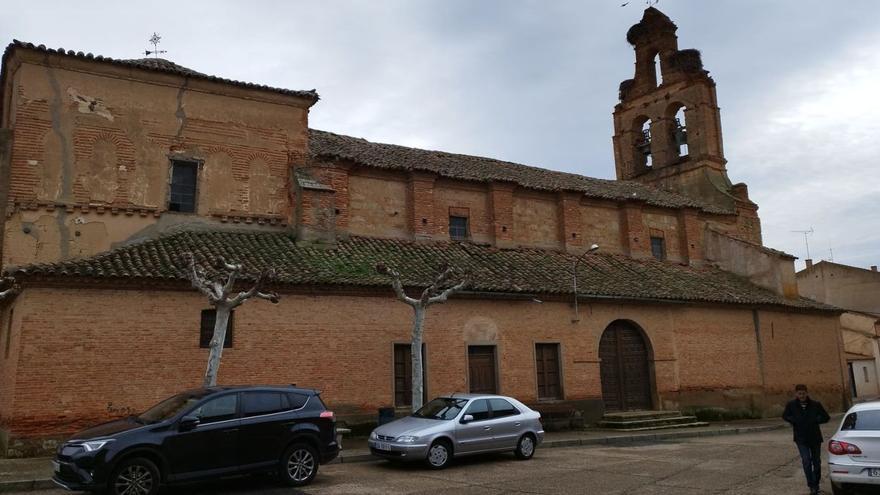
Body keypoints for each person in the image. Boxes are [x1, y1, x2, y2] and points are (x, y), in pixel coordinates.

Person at [782, 384, 831, 495]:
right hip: (801, 438)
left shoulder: (815, 405)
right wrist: (793, 420)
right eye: (799, 393)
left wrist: (816, 420)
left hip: (815, 438)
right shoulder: (791, 405)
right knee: (806, 461)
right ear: (796, 394)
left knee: (817, 462)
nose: (802, 395)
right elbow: (785, 416)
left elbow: (826, 417)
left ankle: (816, 483)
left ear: (807, 393)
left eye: (803, 393)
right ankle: (811, 485)